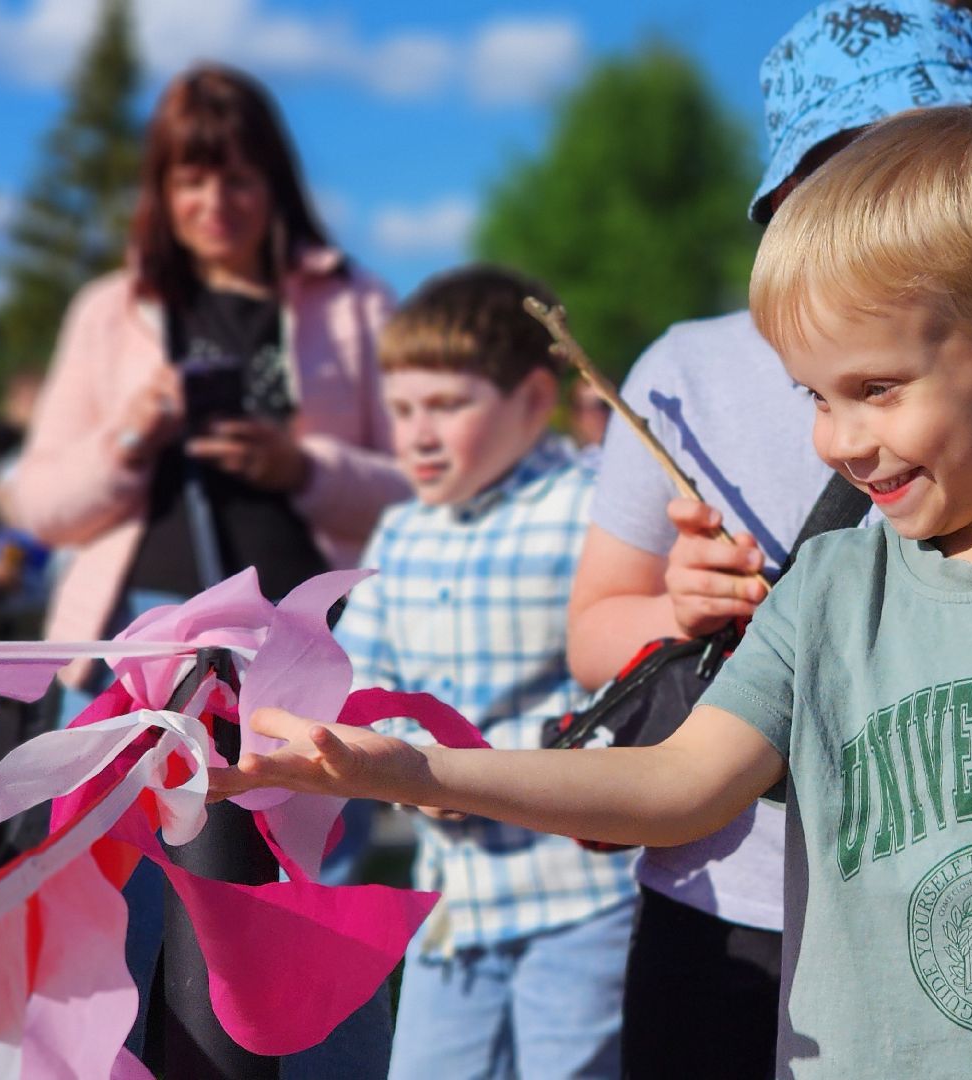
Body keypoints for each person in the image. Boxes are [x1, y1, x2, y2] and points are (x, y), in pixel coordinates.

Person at [217, 106, 972, 1079]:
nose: (836, 441)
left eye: (876, 391)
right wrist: (421, 769)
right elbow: (679, 784)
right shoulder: (831, 587)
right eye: (814, 395)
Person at [565, 5, 972, 1076]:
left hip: (930, 906)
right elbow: (591, 635)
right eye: (864, 172)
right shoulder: (686, 372)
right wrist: (677, 609)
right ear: (792, 202)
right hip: (721, 899)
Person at [5, 62, 406, 1074]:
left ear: (274, 181)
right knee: (121, 909)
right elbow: (36, 499)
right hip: (138, 648)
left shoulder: (352, 302)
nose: (214, 203)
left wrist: (298, 465)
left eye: (235, 178)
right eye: (190, 180)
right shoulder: (114, 308)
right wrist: (127, 443)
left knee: (303, 906)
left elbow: (418, 480)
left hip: (301, 648)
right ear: (160, 190)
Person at [333, 265, 637, 1079]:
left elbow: (627, 679)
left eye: (447, 407)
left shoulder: (591, 508)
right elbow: (367, 681)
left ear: (536, 402)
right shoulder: (399, 534)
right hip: (454, 908)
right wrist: (391, 761)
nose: (418, 435)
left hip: (580, 893)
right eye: (401, 411)